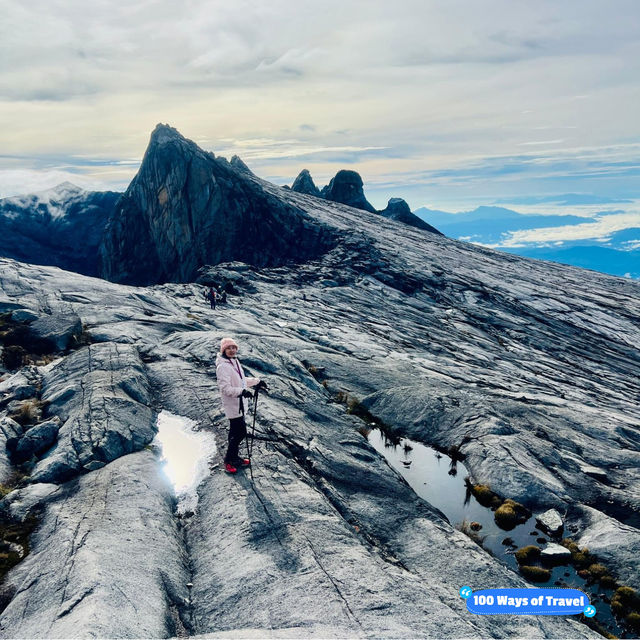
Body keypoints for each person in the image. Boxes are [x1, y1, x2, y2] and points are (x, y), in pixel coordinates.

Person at [216, 337, 266, 473]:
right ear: (223, 350)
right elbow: (225, 389)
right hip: (233, 405)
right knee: (239, 433)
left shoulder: (234, 362)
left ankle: (234, 458)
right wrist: (242, 392)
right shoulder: (223, 367)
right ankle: (228, 460)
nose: (232, 350)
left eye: (234, 348)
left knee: (236, 433)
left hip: (240, 404)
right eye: (228, 348)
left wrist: (257, 381)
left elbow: (241, 381)